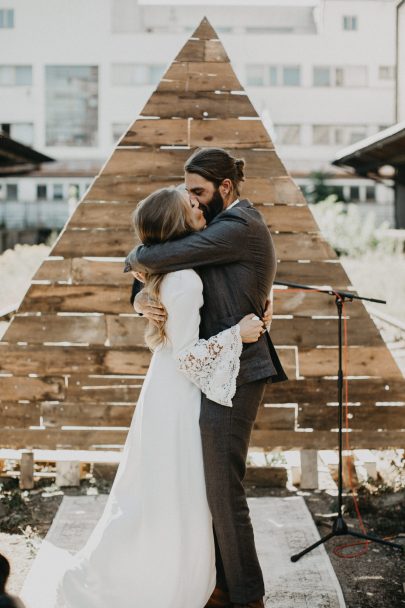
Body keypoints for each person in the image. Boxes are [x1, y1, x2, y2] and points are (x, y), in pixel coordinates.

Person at [47, 186, 264, 608]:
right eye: (191, 205)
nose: (198, 206)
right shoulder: (182, 278)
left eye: (197, 198)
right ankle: (158, 575)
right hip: (178, 394)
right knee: (173, 488)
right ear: (178, 223)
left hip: (164, 387)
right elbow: (187, 356)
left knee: (159, 485)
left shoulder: (174, 266)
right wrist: (238, 334)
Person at [125, 147, 288, 608]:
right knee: (207, 484)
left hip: (237, 371)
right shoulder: (215, 227)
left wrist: (135, 256)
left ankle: (246, 594)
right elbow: (168, 256)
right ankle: (218, 584)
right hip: (209, 366)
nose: (190, 200)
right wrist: (139, 297)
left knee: (222, 486)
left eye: (197, 192)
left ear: (226, 189)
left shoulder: (239, 227)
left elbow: (162, 251)